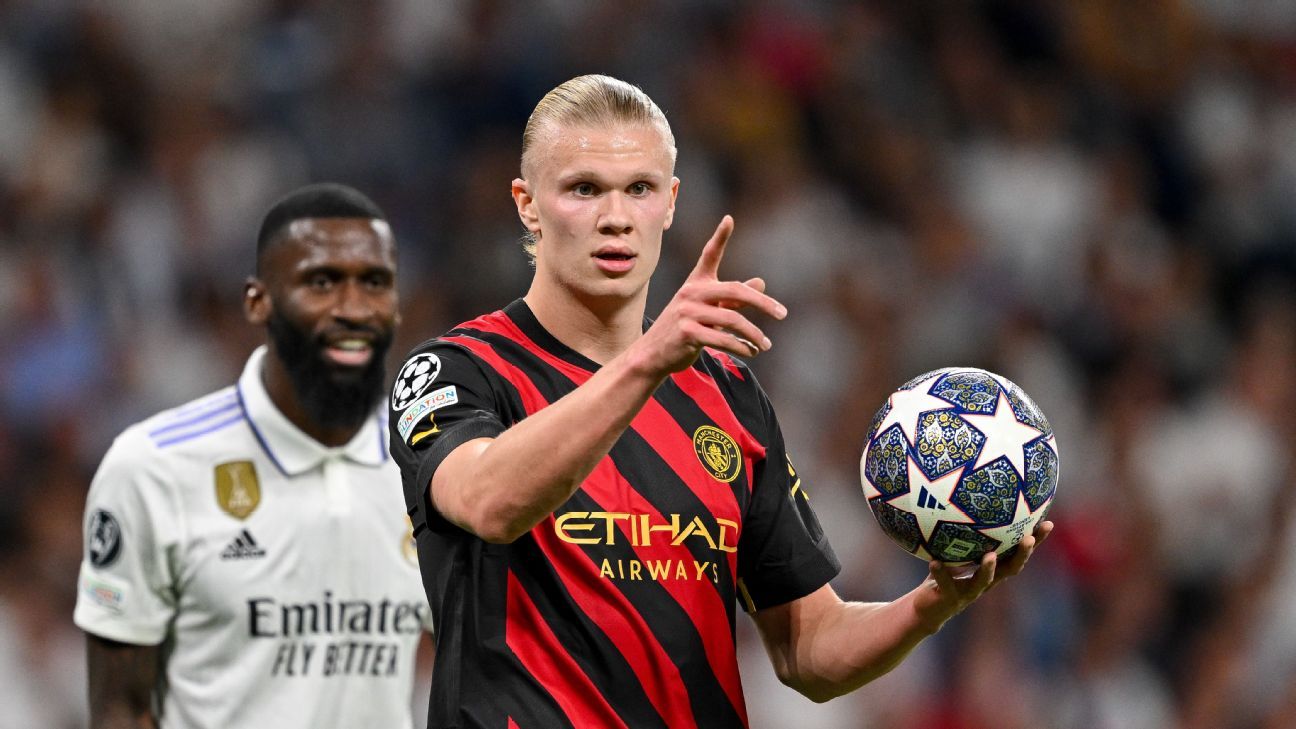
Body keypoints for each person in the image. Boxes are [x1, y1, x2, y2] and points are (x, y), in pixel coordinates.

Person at [389, 75, 1052, 728]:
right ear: (528, 204)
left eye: (640, 188)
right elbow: (491, 502)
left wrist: (933, 602)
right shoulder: (455, 371)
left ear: (671, 202)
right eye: (583, 189)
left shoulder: (728, 396)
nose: (616, 217)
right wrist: (646, 361)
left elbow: (808, 650)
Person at [75, 183, 433, 729]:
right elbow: (119, 708)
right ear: (257, 300)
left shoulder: (430, 466)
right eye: (322, 282)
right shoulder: (152, 469)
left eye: (375, 283)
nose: (354, 308)